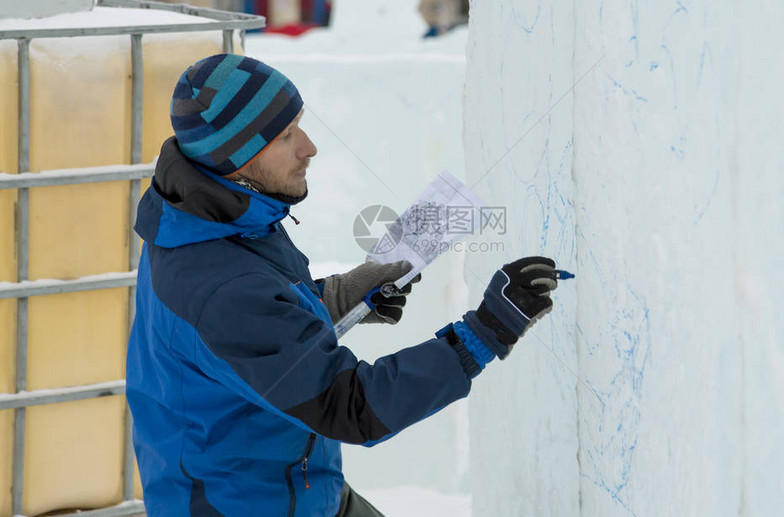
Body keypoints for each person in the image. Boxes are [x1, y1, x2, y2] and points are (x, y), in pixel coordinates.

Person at [126, 53, 559, 517]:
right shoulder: (219, 285)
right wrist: (484, 333)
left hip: (300, 486)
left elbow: (254, 333)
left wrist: (341, 297)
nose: (309, 146)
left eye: (299, 124)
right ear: (236, 159)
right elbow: (347, 406)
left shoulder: (212, 216)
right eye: (285, 136)